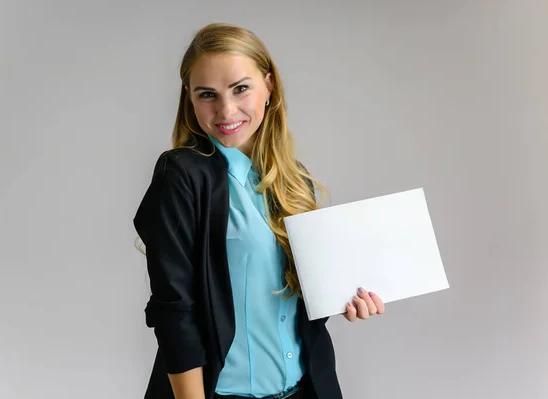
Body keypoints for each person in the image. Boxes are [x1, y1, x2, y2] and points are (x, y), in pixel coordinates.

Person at [133, 22, 385, 399]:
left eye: (241, 88)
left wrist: (346, 297)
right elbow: (173, 310)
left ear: (269, 85)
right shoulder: (182, 175)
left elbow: (288, 303)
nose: (226, 109)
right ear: (189, 97)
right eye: (207, 94)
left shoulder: (294, 180)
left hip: (307, 390)